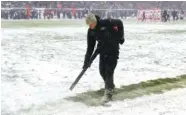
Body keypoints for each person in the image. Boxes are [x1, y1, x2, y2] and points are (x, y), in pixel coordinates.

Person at [83, 13, 125, 102]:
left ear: (95, 21)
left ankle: (109, 93)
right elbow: (90, 48)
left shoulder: (105, 22)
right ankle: (110, 86)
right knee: (102, 72)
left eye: (91, 24)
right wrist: (86, 62)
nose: (90, 26)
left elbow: (120, 23)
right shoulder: (91, 31)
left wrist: (120, 37)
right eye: (88, 25)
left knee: (109, 71)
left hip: (113, 49)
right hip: (102, 51)